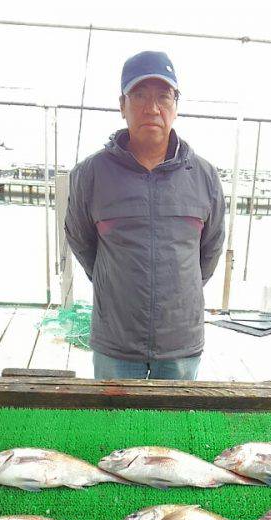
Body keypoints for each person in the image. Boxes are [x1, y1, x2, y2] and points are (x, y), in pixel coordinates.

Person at [65, 50, 225, 380]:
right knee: (113, 430)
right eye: (139, 95)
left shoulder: (205, 176)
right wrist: (114, 285)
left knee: (176, 430)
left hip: (181, 343)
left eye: (163, 96)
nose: (152, 108)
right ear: (122, 105)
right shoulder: (91, 174)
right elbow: (81, 242)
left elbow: (209, 252)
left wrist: (180, 291)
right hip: (116, 343)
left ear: (176, 105)